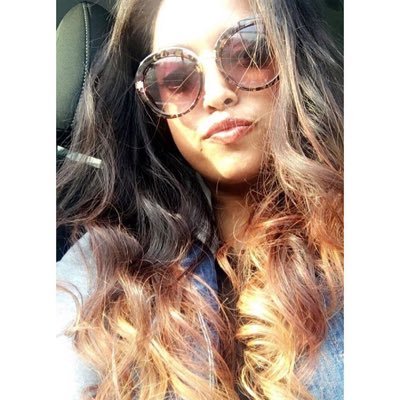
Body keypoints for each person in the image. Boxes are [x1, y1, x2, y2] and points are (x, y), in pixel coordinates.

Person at [57, 0, 343, 399]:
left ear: (293, 63)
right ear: (157, 113)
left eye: (250, 53)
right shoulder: (100, 273)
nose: (217, 94)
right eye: (176, 78)